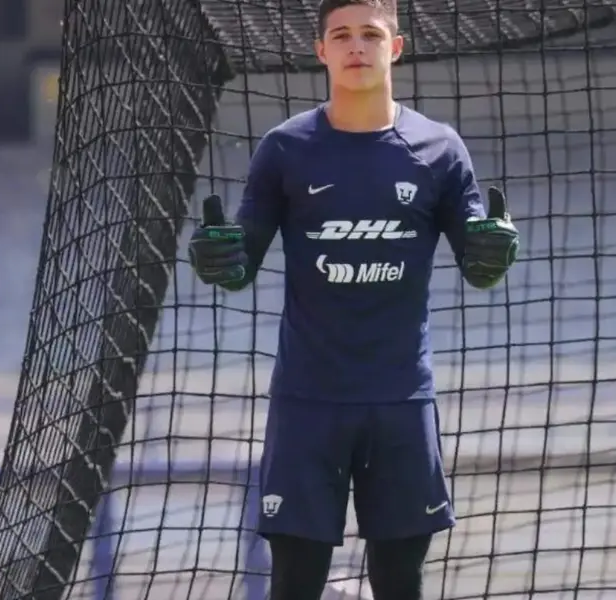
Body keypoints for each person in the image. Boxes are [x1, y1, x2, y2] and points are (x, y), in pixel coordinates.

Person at [188, 0, 519, 598]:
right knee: (294, 582)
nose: (356, 47)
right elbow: (241, 262)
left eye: (370, 34)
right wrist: (220, 258)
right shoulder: (285, 148)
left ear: (396, 47)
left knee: (399, 580)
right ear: (321, 51)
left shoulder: (439, 149)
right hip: (308, 403)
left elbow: (479, 266)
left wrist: (493, 251)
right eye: (341, 35)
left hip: (400, 401)